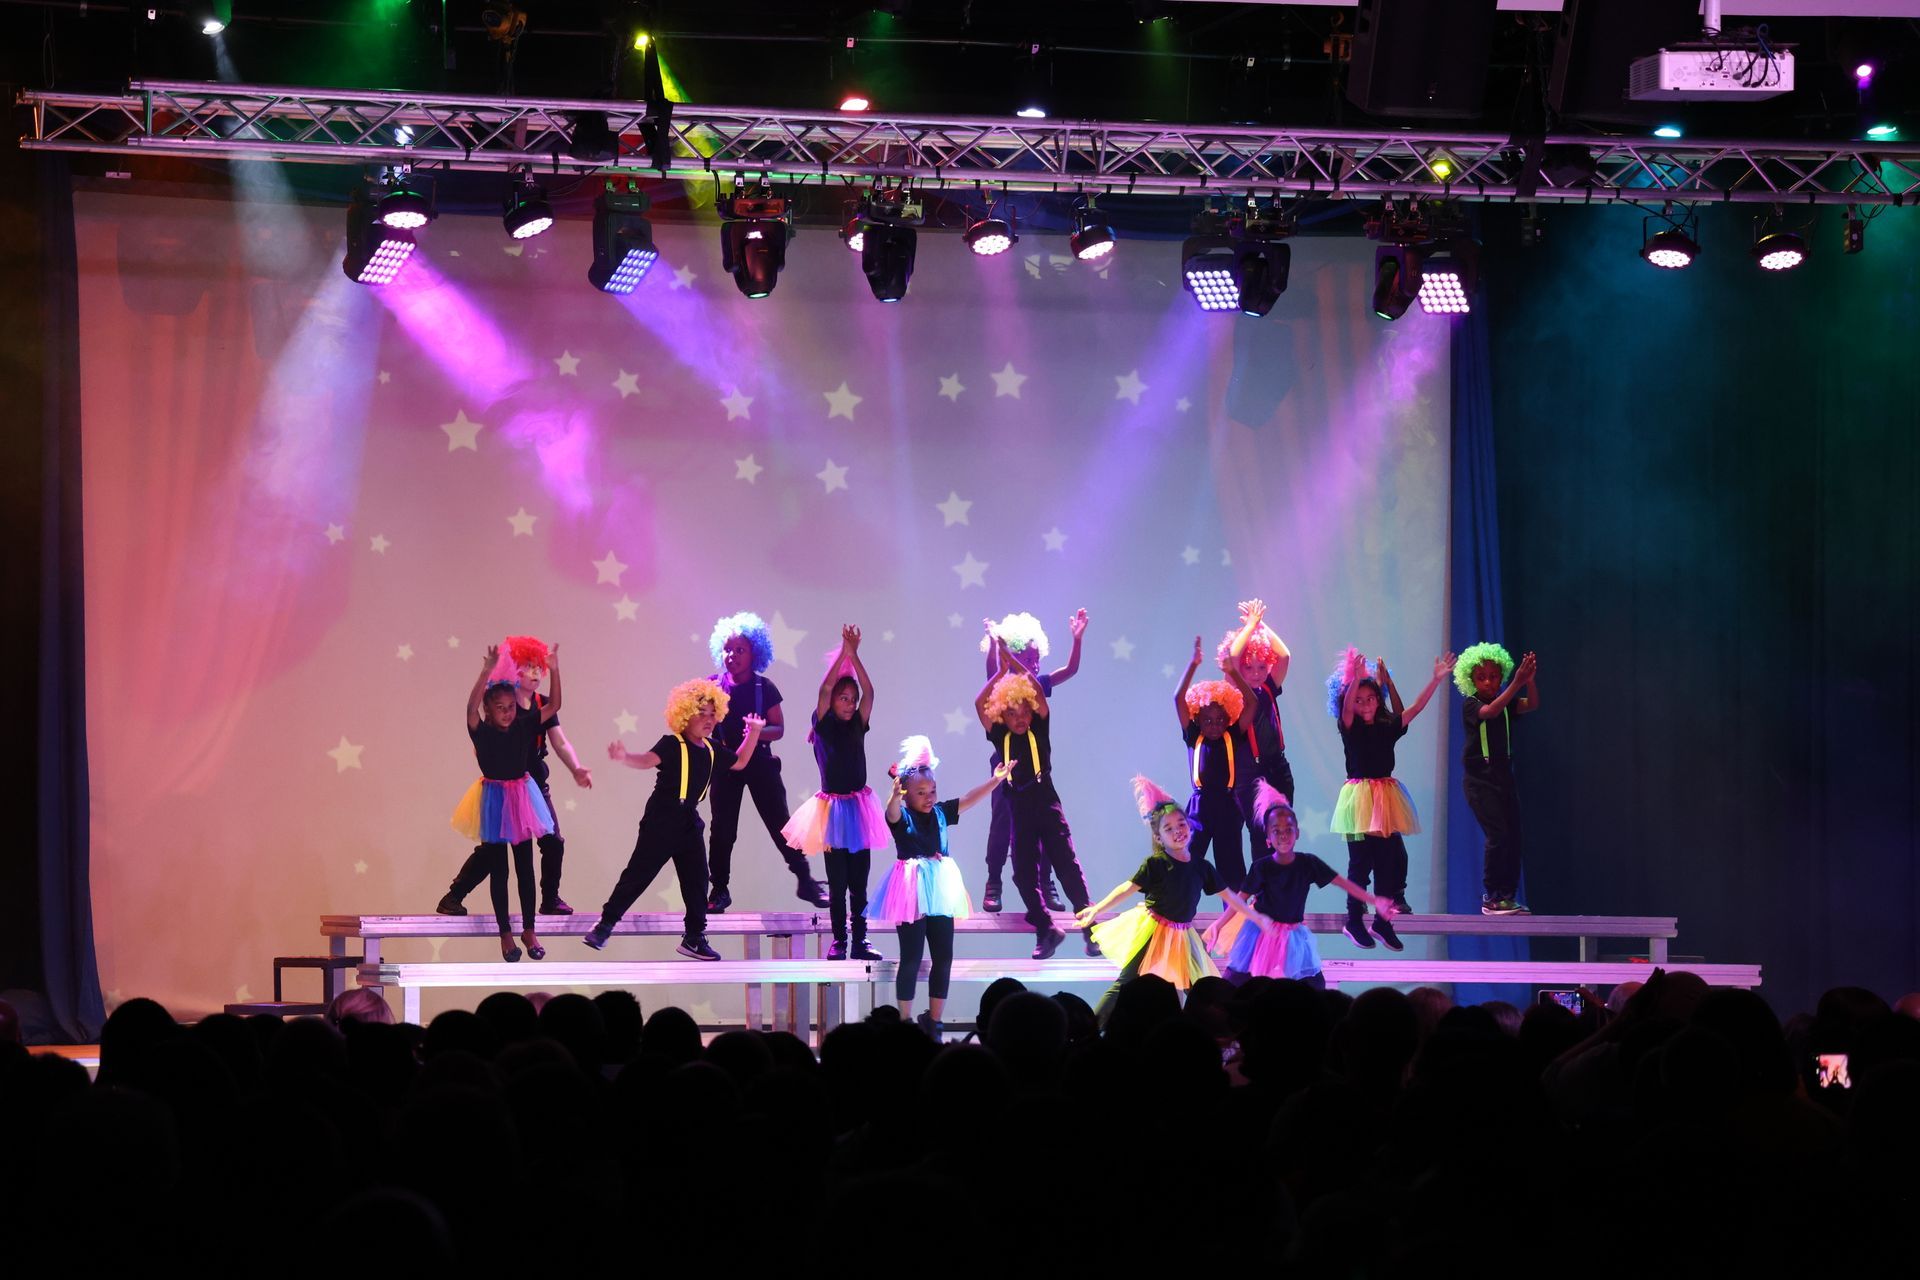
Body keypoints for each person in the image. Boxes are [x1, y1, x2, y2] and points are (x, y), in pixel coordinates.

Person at [584, 679, 765, 961]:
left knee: (697, 880)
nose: (707, 720)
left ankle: (694, 937)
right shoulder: (672, 744)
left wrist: (754, 732)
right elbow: (647, 760)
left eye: (711, 714)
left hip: (688, 821)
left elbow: (740, 761)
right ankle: (605, 924)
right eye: (700, 713)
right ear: (683, 716)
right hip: (662, 818)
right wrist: (624, 756)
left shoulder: (713, 748)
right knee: (638, 875)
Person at [1075, 776, 1267, 1021]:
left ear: (1189, 826)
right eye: (1168, 829)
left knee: (1201, 989)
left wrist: (1255, 917)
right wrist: (1096, 910)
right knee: (1126, 983)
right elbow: (1127, 888)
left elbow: (1231, 897)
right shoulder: (1156, 864)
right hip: (1153, 932)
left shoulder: (1201, 867)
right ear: (1158, 838)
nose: (1178, 831)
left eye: (1181, 824)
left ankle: (1211, 1032)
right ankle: (1089, 1030)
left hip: (1182, 937)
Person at [439, 635, 592, 917]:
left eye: (539, 668)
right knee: (493, 852)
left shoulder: (540, 704)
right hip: (503, 788)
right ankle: (455, 894)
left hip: (532, 787)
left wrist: (576, 768)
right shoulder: (503, 705)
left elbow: (559, 741)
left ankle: (550, 898)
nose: (536, 673)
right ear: (514, 670)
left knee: (552, 841)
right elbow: (483, 738)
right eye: (529, 666)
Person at [867, 737, 1009, 1038]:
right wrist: (893, 798)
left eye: (932, 791)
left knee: (944, 955)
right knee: (912, 956)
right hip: (911, 889)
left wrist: (994, 782)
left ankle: (934, 1020)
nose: (929, 797)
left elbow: (968, 800)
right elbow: (891, 814)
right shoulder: (903, 815)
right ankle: (905, 1023)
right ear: (906, 795)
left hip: (941, 888)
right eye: (921, 793)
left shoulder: (942, 813)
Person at [1205, 780, 1396, 985]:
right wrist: (1219, 924)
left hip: (1293, 934)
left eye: (1288, 829)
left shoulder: (1308, 863)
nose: (1283, 835)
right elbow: (1239, 900)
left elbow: (1343, 883)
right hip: (1262, 934)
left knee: (1313, 984)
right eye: (1276, 831)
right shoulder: (1262, 867)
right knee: (1238, 981)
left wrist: (1375, 901)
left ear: (1298, 832)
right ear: (1268, 839)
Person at [1326, 645, 1454, 952]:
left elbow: (1415, 709)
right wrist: (1355, 679)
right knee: (1360, 863)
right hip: (1358, 800)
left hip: (1384, 798)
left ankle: (1384, 921)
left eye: (1370, 698)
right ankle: (1354, 920)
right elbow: (1346, 709)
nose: (1365, 704)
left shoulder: (1386, 728)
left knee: (1387, 861)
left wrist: (1436, 680)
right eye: (1359, 700)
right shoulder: (1350, 727)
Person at [975, 636, 1096, 959]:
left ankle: (1089, 927)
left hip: (1045, 798)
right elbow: (979, 704)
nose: (1020, 718)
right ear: (1003, 714)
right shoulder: (998, 732)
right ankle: (1046, 928)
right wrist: (1001, 671)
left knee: (1066, 864)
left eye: (1025, 711)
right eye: (1012, 713)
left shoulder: (1039, 727)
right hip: (1018, 802)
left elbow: (1039, 693)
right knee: (1023, 873)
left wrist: (1013, 666)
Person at [704, 611, 829, 911]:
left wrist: (758, 732)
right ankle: (719, 890)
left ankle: (805, 881)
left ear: (754, 653)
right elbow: (701, 724)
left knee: (780, 824)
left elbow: (779, 729)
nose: (732, 655)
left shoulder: (765, 687)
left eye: (740, 650)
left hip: (759, 762)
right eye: (728, 649)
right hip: (725, 764)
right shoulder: (712, 686)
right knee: (722, 829)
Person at [780, 625, 888, 960]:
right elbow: (826, 687)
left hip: (859, 808)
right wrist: (844, 652)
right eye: (845, 698)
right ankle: (839, 940)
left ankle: (861, 939)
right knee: (837, 883)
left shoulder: (858, 723)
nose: (851, 703)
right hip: (833, 812)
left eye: (852, 700)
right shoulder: (824, 724)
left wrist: (855, 656)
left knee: (859, 883)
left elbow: (870, 692)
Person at [450, 644, 561, 961]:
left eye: (511, 706)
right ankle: (505, 934)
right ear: (489, 710)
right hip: (495, 800)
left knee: (525, 868)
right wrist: (485, 672)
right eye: (500, 707)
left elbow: (554, 705)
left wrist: (555, 669)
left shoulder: (523, 726)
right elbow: (469, 710)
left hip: (521, 796)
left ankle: (529, 928)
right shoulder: (481, 732)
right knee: (499, 870)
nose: (508, 712)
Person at [1454, 643, 1540, 915]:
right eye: (1481, 677)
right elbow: (1489, 712)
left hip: (1504, 779)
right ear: (1472, 680)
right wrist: (1516, 683)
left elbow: (1532, 704)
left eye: (1493, 676)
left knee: (1514, 837)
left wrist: (1529, 682)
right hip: (1480, 782)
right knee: (1498, 835)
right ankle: (1491, 897)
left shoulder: (1507, 703)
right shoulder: (1471, 704)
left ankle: (1507, 896)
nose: (1489, 682)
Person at [1175, 633, 1260, 890]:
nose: (1214, 725)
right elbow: (1178, 699)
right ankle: (1179, 915)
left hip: (1227, 806)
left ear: (1228, 719)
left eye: (1220, 720)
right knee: (1188, 863)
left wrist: (1233, 673)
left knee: (1232, 869)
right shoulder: (1193, 736)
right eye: (1208, 720)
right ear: (1198, 719)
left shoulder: (1232, 735)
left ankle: (1233, 923)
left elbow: (1253, 703)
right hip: (1200, 806)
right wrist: (1193, 665)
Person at [1221, 598, 1294, 829]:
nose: (1256, 673)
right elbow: (1232, 658)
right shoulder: (1235, 691)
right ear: (1239, 669)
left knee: (1282, 830)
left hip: (1278, 768)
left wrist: (1261, 625)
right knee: (1261, 836)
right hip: (1251, 773)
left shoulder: (1268, 687)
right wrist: (1250, 626)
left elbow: (1284, 655)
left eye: (1262, 666)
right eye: (1249, 667)